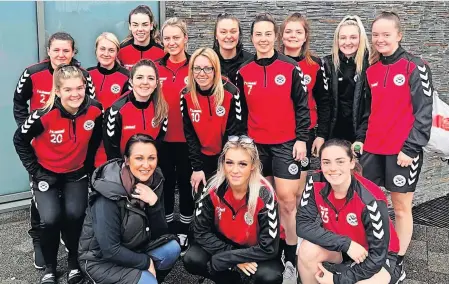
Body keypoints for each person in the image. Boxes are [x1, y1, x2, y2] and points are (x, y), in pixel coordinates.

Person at [354, 11, 434, 282]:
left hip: (402, 152)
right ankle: (373, 250)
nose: (380, 39)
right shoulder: (372, 70)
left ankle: (397, 260)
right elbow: (368, 112)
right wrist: (361, 140)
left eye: (386, 34)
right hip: (372, 151)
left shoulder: (416, 66)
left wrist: (410, 149)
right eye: (376, 35)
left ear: (399, 35)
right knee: (371, 204)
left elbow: (425, 113)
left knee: (401, 207)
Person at [235, 13, 310, 282]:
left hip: (286, 144)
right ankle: (269, 248)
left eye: (268, 34)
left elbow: (302, 106)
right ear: (252, 38)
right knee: (262, 201)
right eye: (258, 34)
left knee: (288, 201)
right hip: (257, 147)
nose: (263, 39)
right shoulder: (243, 71)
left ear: (275, 37)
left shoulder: (290, 67)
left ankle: (291, 252)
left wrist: (302, 138)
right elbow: (240, 112)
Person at [12, 32, 96, 270]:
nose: (61, 55)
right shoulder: (32, 73)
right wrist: (29, 131)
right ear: (48, 51)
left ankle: (71, 248)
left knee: (73, 210)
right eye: (56, 50)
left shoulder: (83, 77)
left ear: (73, 53)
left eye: (66, 51)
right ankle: (40, 242)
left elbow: (88, 108)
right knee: (43, 208)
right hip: (41, 145)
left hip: (70, 152)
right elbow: (19, 103)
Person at [78, 134, 181, 284]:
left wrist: (154, 203)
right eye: (139, 158)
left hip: (134, 248)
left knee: (172, 249)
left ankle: (149, 279)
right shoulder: (108, 191)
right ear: (126, 160)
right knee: (147, 281)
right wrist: (146, 262)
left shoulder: (155, 181)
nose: (146, 165)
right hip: (100, 260)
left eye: (151, 158)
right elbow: (110, 250)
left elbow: (160, 232)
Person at [296, 139, 402, 284]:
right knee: (306, 250)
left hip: (377, 256)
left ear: (351, 162)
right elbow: (302, 225)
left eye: (340, 161)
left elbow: (377, 256)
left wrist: (337, 280)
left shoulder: (371, 199)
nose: (332, 168)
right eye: (326, 162)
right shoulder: (315, 182)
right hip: (345, 248)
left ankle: (395, 273)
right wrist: (347, 244)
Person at [183, 135, 283, 284]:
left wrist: (224, 259)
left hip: (254, 250)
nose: (235, 170)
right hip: (224, 242)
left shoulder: (265, 194)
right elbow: (200, 231)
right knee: (192, 258)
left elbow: (268, 248)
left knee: (270, 276)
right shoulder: (213, 188)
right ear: (223, 164)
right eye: (229, 163)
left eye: (242, 164)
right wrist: (234, 258)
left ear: (253, 165)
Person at [279, 12, 331, 203]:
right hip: (276, 133)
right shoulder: (274, 62)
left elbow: (324, 102)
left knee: (299, 187)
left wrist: (321, 134)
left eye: (298, 32)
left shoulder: (315, 65)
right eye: (289, 31)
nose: (293, 35)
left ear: (305, 36)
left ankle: (297, 228)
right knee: (278, 188)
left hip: (304, 133)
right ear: (282, 35)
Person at [181, 47, 243, 195]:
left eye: (207, 68)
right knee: (203, 201)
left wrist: (227, 166)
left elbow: (235, 133)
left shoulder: (231, 93)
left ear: (215, 69)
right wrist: (197, 168)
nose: (202, 74)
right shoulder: (186, 95)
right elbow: (190, 136)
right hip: (201, 159)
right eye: (197, 68)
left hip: (226, 156)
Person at [156, 17, 192, 253]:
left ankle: (185, 230)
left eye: (176, 37)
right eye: (167, 38)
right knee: (166, 184)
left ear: (185, 39)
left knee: (187, 185)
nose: (172, 42)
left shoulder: (196, 65)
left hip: (190, 140)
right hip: (162, 140)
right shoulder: (155, 67)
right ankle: (168, 227)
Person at [103, 59, 168, 160]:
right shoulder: (116, 111)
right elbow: (111, 151)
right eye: (139, 77)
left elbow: (158, 146)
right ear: (131, 81)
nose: (145, 82)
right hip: (122, 169)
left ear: (156, 83)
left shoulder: (162, 108)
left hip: (149, 168)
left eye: (150, 78)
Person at [322, 15, 370, 143]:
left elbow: (372, 106)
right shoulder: (327, 64)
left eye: (353, 37)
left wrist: (361, 136)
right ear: (337, 40)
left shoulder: (371, 64)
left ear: (361, 39)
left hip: (363, 135)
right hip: (334, 134)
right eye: (343, 38)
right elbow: (323, 103)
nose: (347, 42)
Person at [88, 32, 131, 168]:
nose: (106, 54)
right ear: (96, 50)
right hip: (90, 134)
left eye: (111, 50)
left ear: (117, 52)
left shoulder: (126, 76)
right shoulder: (87, 74)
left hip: (114, 136)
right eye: (102, 49)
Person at [119, 4, 165, 70]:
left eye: (144, 25)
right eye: (135, 25)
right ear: (130, 26)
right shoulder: (121, 51)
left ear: (151, 25)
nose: (140, 29)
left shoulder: (162, 52)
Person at [212, 12, 252, 85]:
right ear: (216, 35)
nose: (229, 36)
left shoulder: (250, 61)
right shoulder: (208, 60)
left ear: (239, 34)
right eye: (223, 32)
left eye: (233, 31)